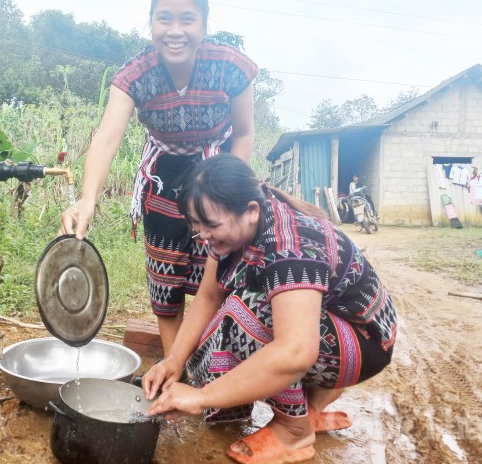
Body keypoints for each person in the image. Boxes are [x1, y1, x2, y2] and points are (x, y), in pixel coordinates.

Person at [143, 154, 397, 464]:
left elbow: (295, 351)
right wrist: (174, 360)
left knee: (245, 312)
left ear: (250, 211)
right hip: (334, 326)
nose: (203, 236)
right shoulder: (242, 221)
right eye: (196, 226)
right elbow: (209, 296)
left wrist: (201, 397)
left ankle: (294, 431)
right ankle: (311, 408)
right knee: (221, 327)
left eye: (210, 225)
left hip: (366, 341)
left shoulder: (291, 244)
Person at [59, 0, 259, 356]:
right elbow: (107, 137)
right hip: (162, 177)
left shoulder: (232, 67)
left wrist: (230, 193)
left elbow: (244, 133)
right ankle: (174, 364)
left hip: (216, 170)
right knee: (165, 281)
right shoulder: (136, 74)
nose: (175, 30)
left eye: (187, 19)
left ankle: (206, 362)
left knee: (212, 275)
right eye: (164, 18)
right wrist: (87, 199)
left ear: (203, 24)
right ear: (151, 22)